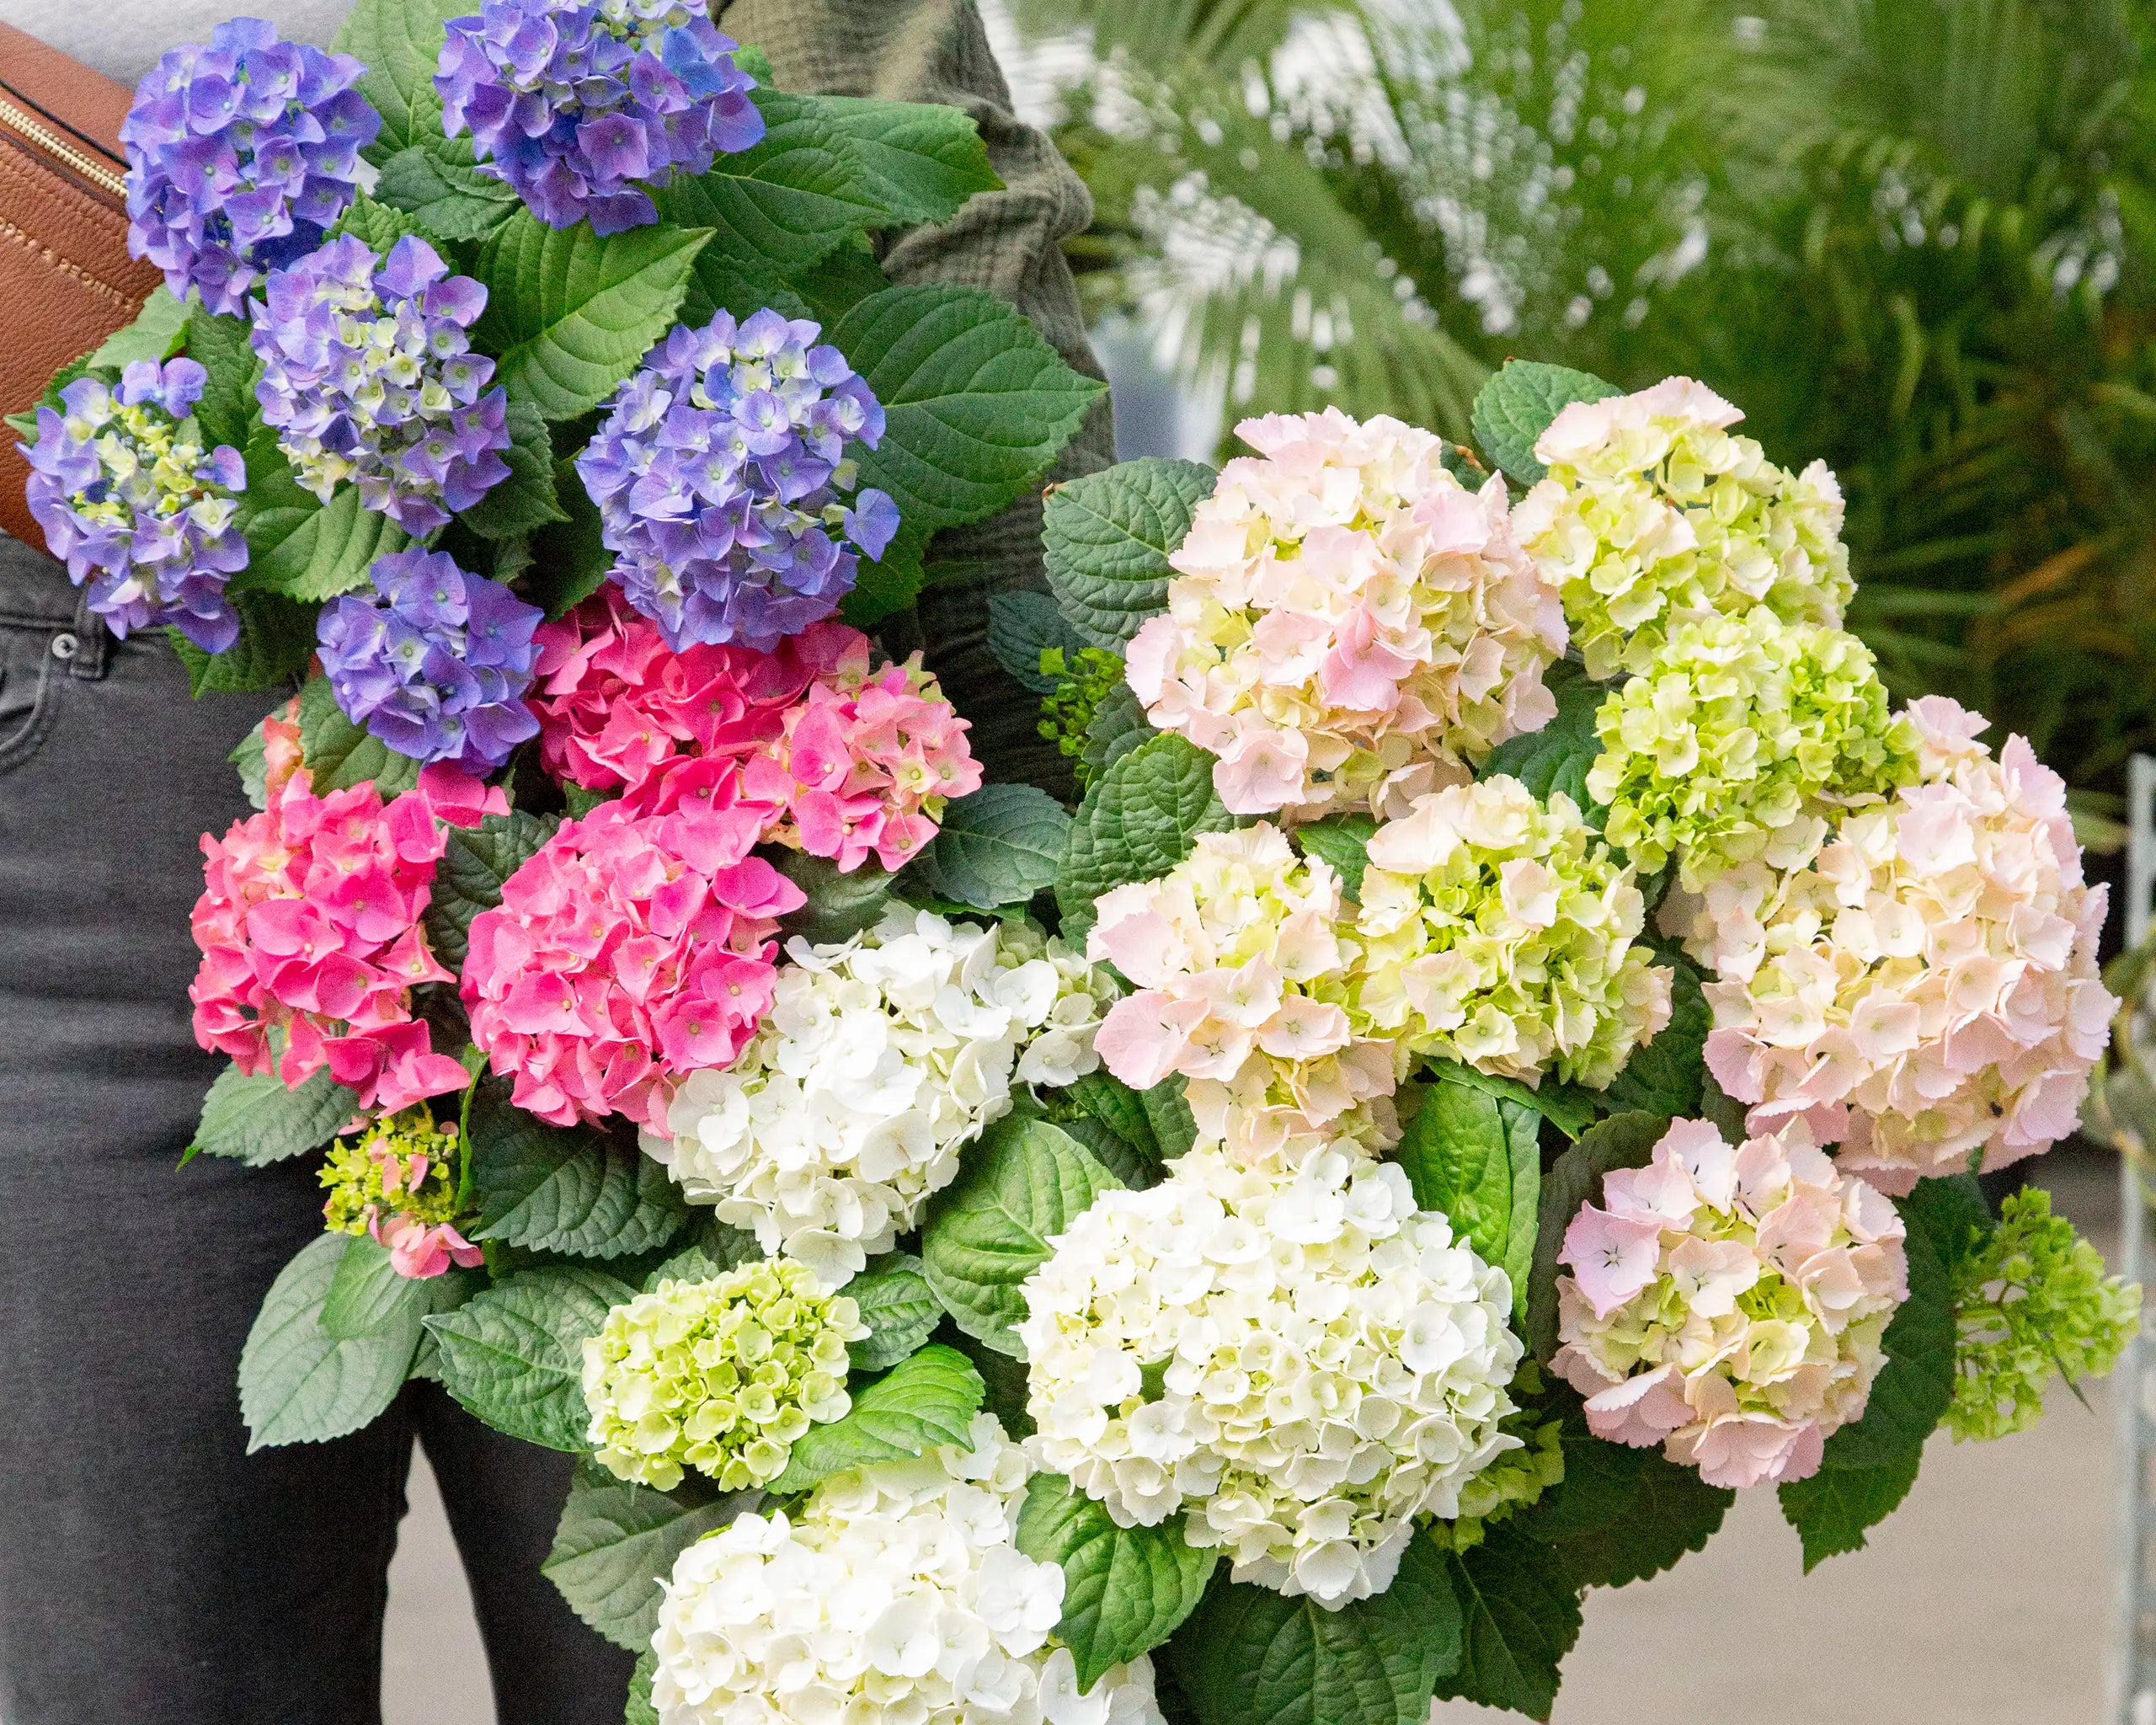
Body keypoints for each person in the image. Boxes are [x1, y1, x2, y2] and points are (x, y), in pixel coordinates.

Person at [0, 2, 1111, 1718]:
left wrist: (1053, 863)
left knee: (748, 1667)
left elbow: (918, 156)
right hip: (96, 698)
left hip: (693, 708)